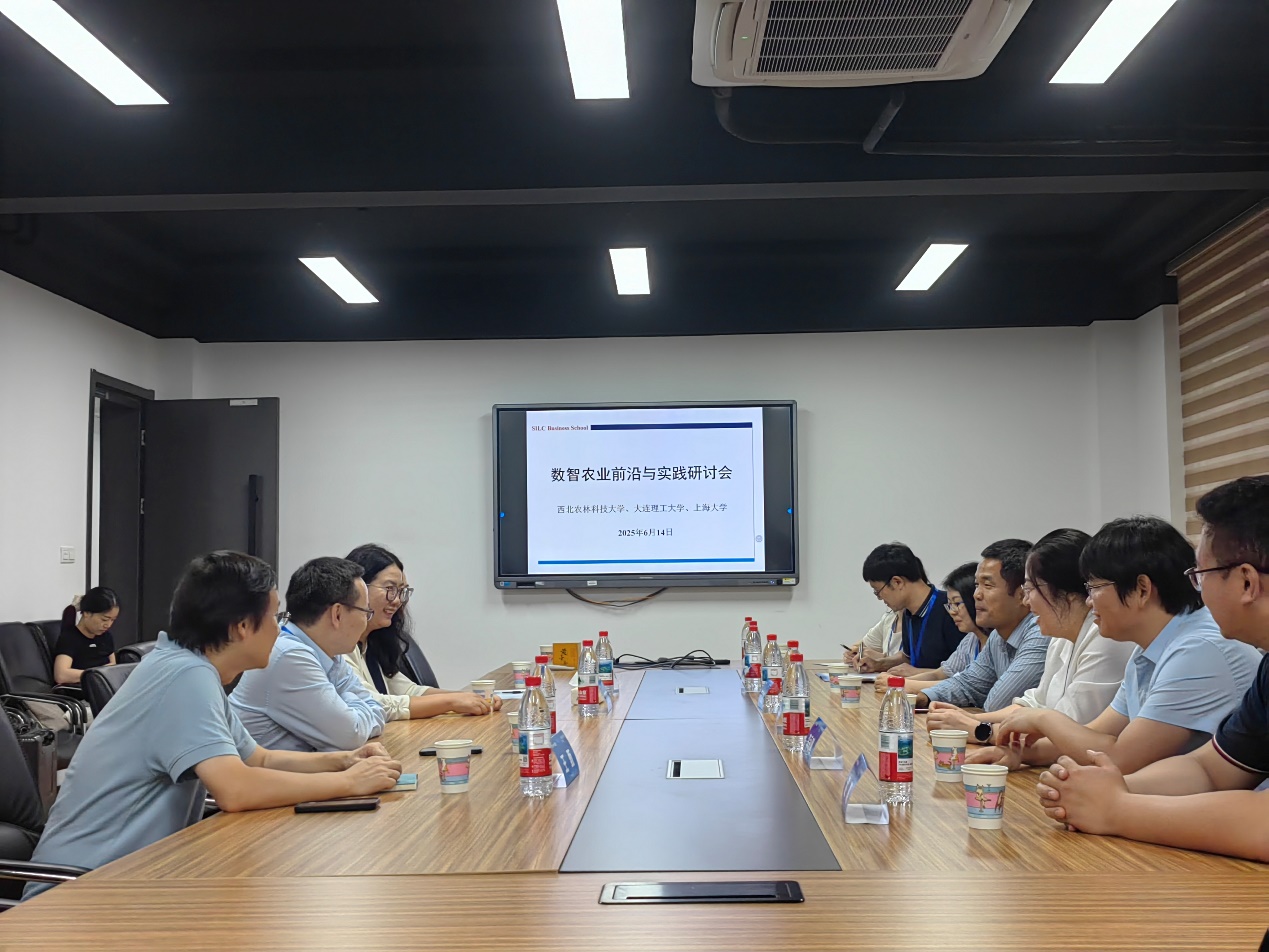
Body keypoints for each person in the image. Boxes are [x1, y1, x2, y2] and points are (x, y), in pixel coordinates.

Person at [24, 552, 402, 898]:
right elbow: (235, 790)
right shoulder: (184, 675)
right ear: (241, 626)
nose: (279, 629)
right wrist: (349, 784)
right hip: (80, 894)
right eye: (275, 617)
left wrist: (344, 761)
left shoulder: (190, 667)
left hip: (136, 878)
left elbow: (259, 760)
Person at [1036, 477, 1269, 862]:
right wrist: (1104, 789)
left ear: (1246, 582)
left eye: (1201, 575)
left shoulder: (1203, 646)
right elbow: (1210, 769)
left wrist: (1117, 808)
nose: (1198, 591)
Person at [972, 515, 1261, 775]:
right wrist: (1020, 753)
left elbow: (1121, 757)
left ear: (1141, 589)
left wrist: (1042, 719)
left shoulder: (1198, 649)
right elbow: (1096, 737)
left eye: (1094, 587)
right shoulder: (1147, 648)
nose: (1088, 601)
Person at [927, 530, 1134, 735]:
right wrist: (970, 720)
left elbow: (1069, 727)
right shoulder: (1061, 637)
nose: (1027, 600)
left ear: (1065, 594)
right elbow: (1035, 702)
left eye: (1030, 589)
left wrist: (979, 730)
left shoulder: (1104, 638)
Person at [230, 557, 387, 752]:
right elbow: (350, 735)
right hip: (261, 772)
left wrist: (348, 706)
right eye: (365, 612)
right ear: (337, 614)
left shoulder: (330, 652)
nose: (366, 620)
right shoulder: (288, 656)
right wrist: (349, 699)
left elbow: (377, 708)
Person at [343, 544, 498, 719]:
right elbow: (372, 704)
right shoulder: (339, 647)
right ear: (358, 588)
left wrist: (472, 698)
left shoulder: (372, 641)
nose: (397, 601)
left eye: (402, 591)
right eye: (390, 589)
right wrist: (451, 702)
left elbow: (408, 691)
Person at [901, 540, 1047, 716]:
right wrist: (924, 697)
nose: (976, 594)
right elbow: (968, 683)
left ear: (1022, 594)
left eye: (988, 585)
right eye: (977, 585)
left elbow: (997, 703)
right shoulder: (998, 636)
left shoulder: (1039, 634)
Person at [856, 543, 963, 673]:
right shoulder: (908, 613)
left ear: (897, 582)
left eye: (878, 591)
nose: (879, 598)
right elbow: (908, 658)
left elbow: (964, 671)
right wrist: (879, 664)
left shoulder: (951, 609)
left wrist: (916, 673)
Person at [888, 562, 989, 681]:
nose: (952, 612)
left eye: (957, 603)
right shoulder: (970, 640)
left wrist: (902, 683)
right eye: (950, 605)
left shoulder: (997, 643)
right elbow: (941, 673)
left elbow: (962, 684)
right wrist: (897, 682)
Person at [52, 587, 119, 685]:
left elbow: (113, 665)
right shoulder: (70, 638)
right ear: (87, 613)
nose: (108, 625)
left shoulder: (106, 636)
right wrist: (98, 674)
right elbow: (61, 675)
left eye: (112, 620)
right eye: (104, 619)